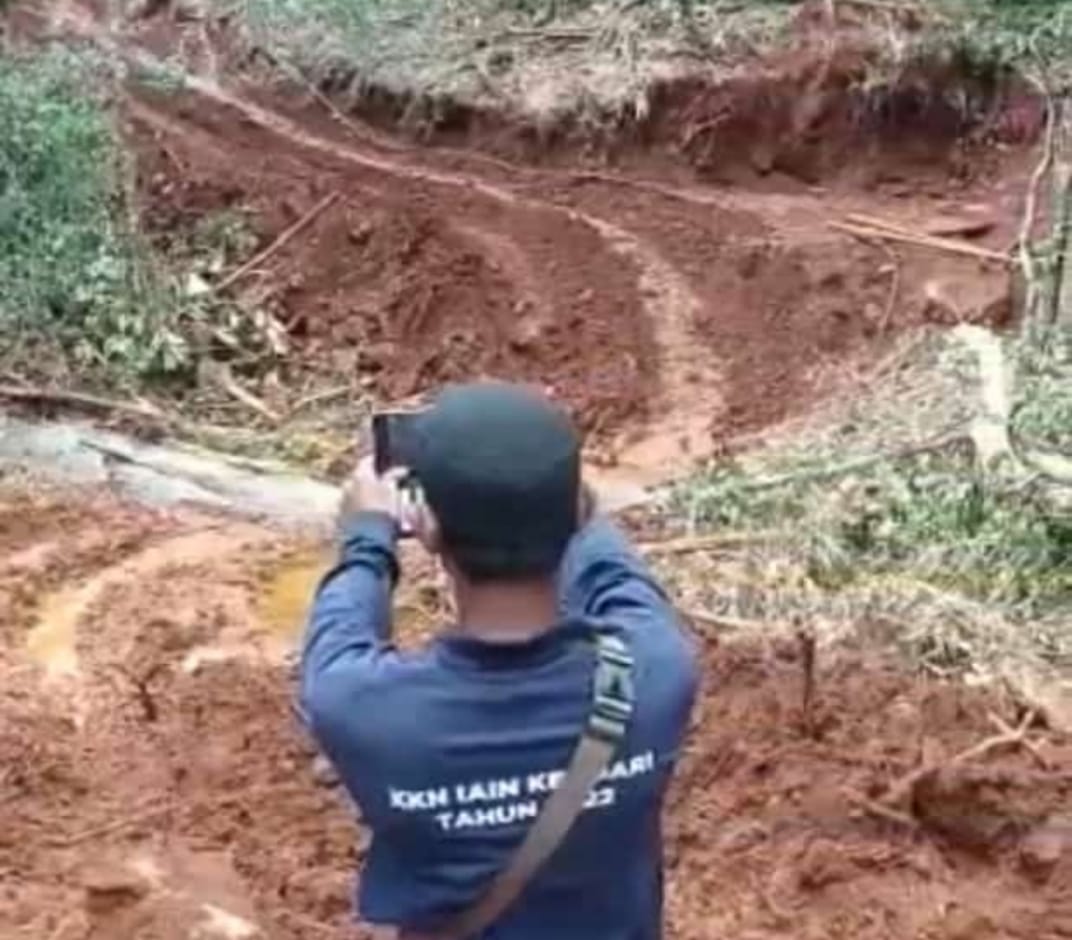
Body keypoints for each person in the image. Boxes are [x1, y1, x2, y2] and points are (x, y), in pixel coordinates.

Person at [298, 380, 699, 939]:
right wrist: (555, 496)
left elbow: (341, 627)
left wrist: (368, 533)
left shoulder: (365, 712)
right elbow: (615, 577)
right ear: (571, 512)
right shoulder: (657, 673)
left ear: (428, 525)